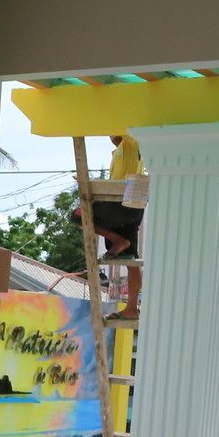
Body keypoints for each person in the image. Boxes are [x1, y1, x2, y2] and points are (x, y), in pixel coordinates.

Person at [72, 135, 145, 317]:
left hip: (121, 206)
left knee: (78, 215)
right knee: (130, 261)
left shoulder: (129, 143)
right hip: (134, 206)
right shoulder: (123, 151)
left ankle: (117, 240)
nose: (110, 136)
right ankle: (131, 309)